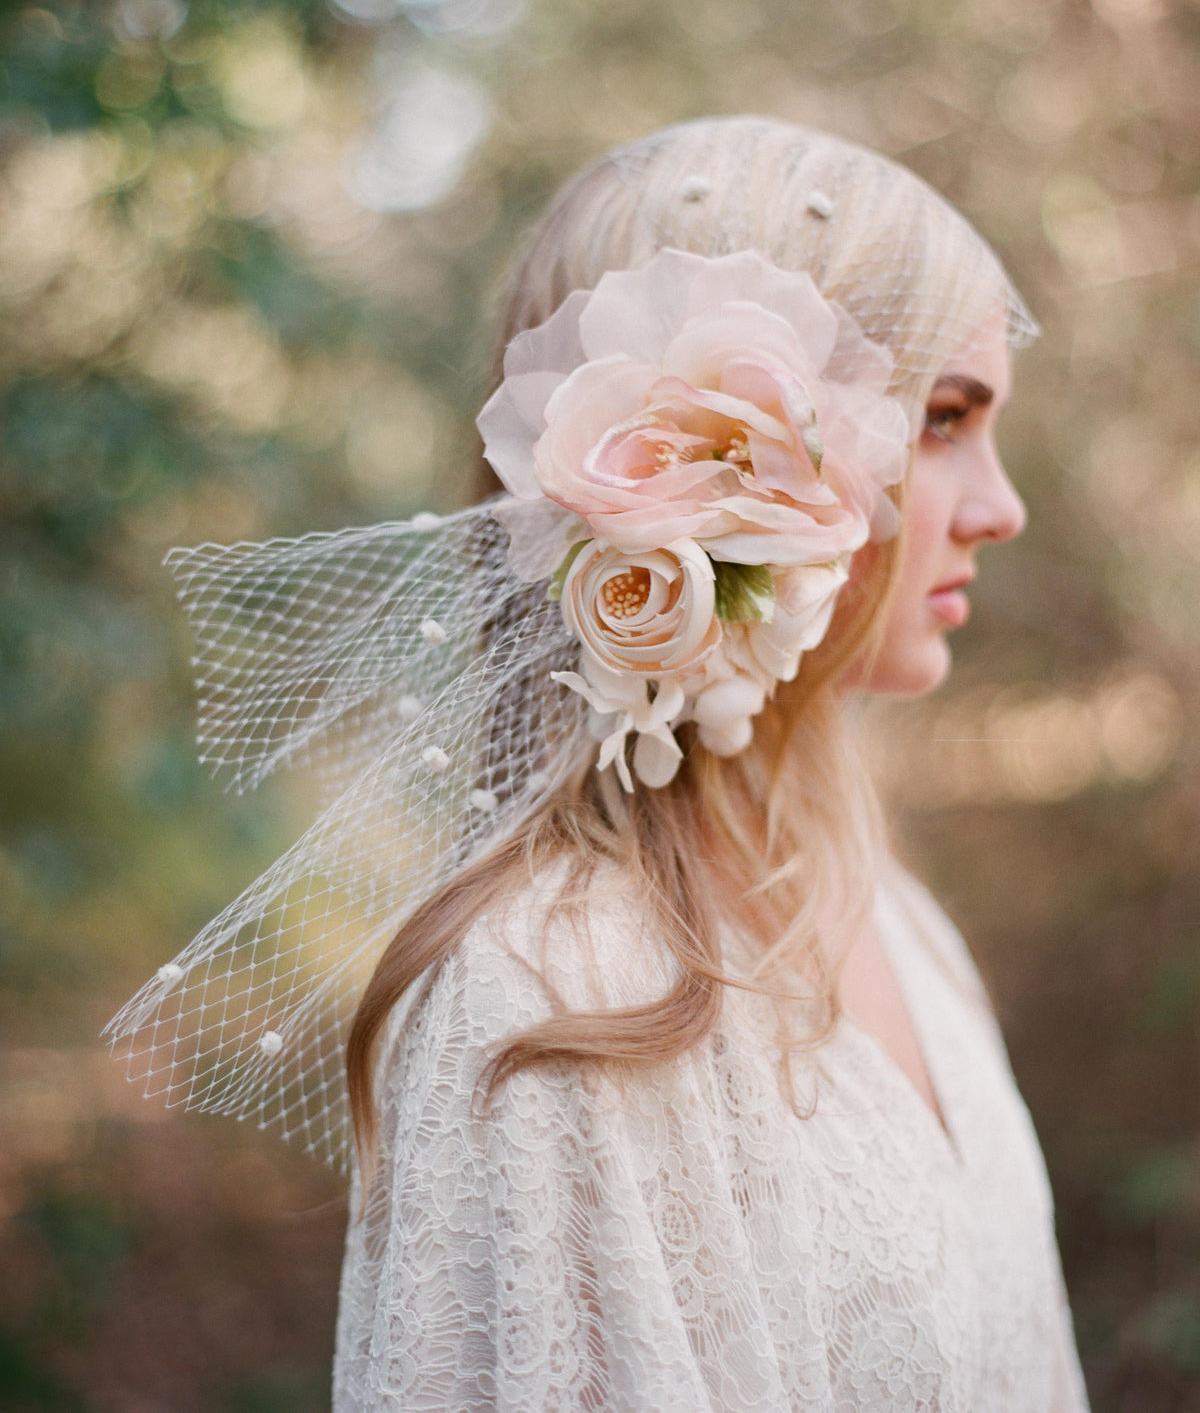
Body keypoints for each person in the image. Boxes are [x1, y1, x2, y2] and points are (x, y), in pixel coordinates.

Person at [107, 117, 1089, 1411]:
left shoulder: (887, 908)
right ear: (738, 465)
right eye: (944, 419)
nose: (1000, 504)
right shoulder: (544, 995)